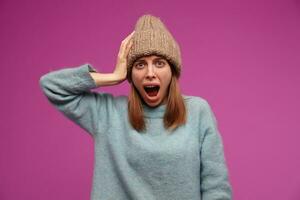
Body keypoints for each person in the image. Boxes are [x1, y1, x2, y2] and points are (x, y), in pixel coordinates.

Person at [39, 14, 232, 200]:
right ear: (131, 74)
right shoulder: (108, 114)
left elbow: (216, 187)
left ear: (172, 71)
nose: (150, 73)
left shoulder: (198, 111)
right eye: (140, 65)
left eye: (159, 63)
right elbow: (51, 85)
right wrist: (114, 77)